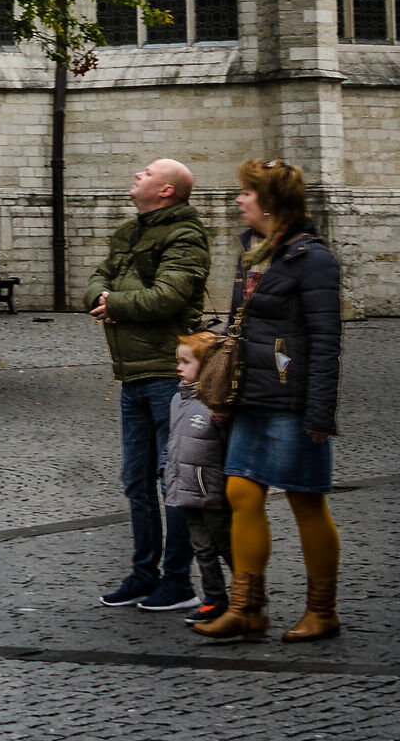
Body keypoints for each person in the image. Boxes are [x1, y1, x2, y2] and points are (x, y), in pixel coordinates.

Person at [199, 157, 342, 645]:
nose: (239, 200)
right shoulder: (254, 252)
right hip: (253, 396)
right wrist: (225, 391)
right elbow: (243, 328)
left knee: (306, 500)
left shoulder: (313, 259)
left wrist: (319, 412)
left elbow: (325, 341)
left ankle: (322, 612)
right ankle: (247, 609)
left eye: (247, 192)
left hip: (292, 399)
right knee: (241, 493)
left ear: (271, 202)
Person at [84, 157, 210, 610]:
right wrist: (102, 297)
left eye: (149, 172)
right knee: (136, 481)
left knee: (171, 480)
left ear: (166, 191)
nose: (138, 174)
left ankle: (178, 582)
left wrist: (114, 303)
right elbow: (97, 278)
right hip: (133, 376)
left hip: (168, 375)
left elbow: (169, 296)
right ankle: (143, 574)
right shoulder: (129, 231)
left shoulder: (185, 235)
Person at [162, 330, 232, 626]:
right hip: (185, 489)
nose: (178, 368)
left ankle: (248, 596)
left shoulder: (218, 406)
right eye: (178, 361)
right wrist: (167, 469)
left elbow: (227, 446)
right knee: (202, 548)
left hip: (211, 491)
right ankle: (214, 599)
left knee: (227, 546)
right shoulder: (178, 399)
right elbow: (174, 440)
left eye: (186, 362)